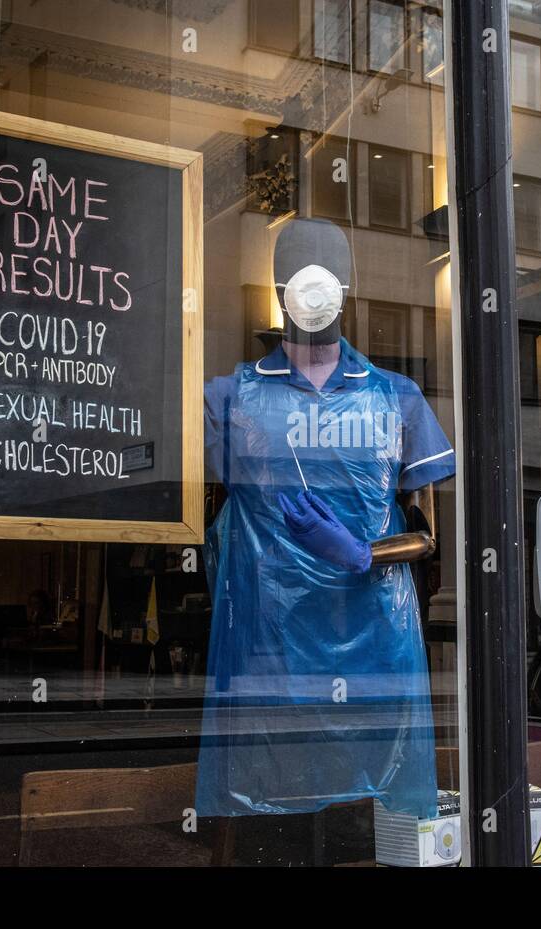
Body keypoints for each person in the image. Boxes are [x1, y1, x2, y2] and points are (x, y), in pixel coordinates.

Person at [196, 218, 455, 820]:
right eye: (297, 273)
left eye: (328, 273)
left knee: (370, 828)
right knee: (272, 819)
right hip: (272, 644)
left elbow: (428, 534)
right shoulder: (229, 397)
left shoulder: (396, 397)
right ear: (277, 285)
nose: (313, 287)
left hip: (372, 641)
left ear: (348, 286)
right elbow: (207, 520)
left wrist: (363, 553)